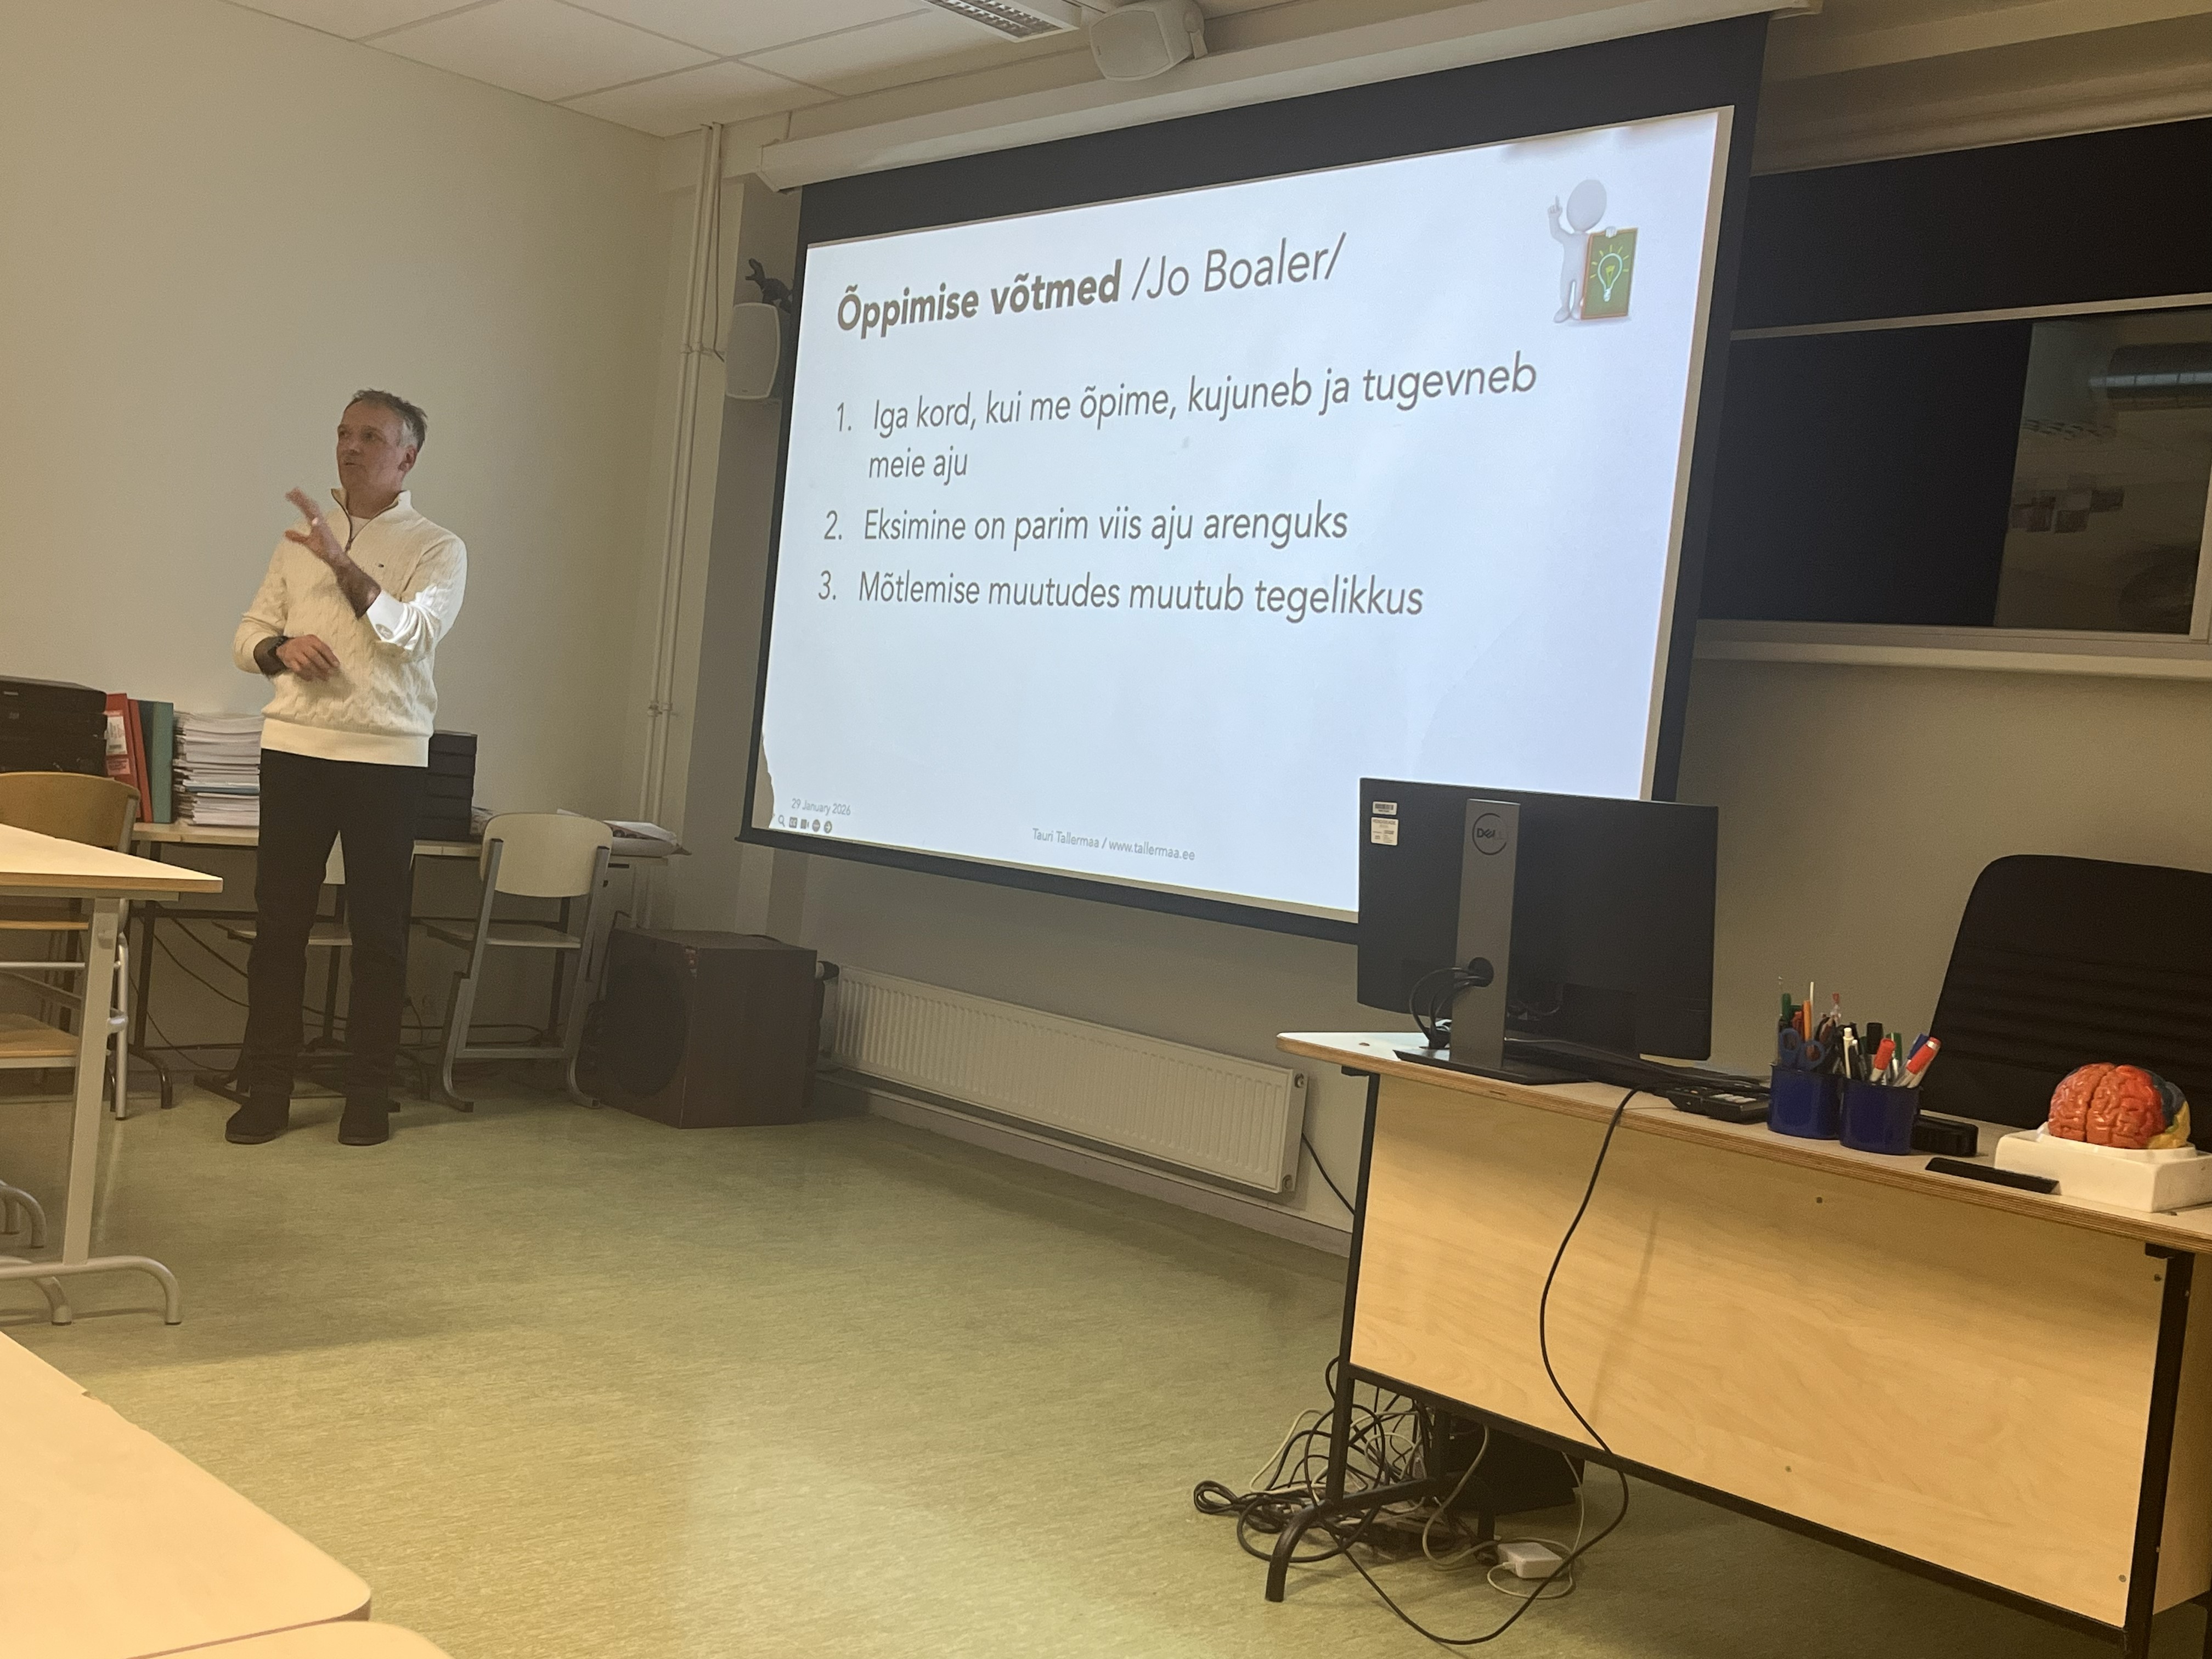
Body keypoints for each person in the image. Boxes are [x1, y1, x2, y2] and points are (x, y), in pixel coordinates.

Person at [226, 391, 466, 1146]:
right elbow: (248, 635)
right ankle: (268, 1092)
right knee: (279, 930)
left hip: (385, 760)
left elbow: (412, 636)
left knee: (379, 936)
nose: (350, 447)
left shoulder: (439, 547)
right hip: (295, 750)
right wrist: (278, 649)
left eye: (370, 436)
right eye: (342, 433)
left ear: (408, 457)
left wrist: (341, 561)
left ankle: (368, 1094)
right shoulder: (297, 542)